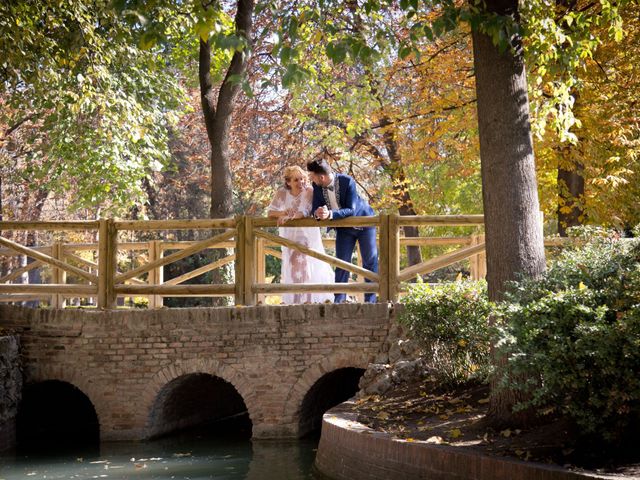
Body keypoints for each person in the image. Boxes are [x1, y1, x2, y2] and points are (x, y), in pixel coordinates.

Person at [306, 157, 379, 303]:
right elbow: (315, 208)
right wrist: (318, 213)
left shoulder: (347, 181)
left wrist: (330, 214)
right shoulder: (317, 187)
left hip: (364, 222)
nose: (311, 179)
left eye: (312, 176)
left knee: (369, 261)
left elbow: (351, 209)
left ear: (321, 176)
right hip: (343, 228)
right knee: (341, 262)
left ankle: (370, 301)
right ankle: (339, 301)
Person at [267, 166, 334, 304]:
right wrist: (284, 213)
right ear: (288, 182)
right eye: (296, 179)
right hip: (289, 236)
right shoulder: (282, 193)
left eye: (302, 178)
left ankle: (308, 299)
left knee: (304, 265)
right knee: (293, 267)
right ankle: (295, 299)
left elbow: (304, 212)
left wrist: (290, 217)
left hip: (306, 235)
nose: (300, 182)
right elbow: (270, 213)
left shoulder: (309, 191)